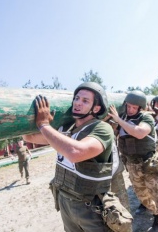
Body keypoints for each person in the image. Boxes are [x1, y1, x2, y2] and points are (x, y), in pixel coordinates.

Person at [23, 82, 117, 231]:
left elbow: (76, 153)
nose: (77, 103)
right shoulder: (66, 129)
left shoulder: (102, 128)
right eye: (77, 98)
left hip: (91, 207)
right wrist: (28, 119)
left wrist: (44, 125)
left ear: (96, 108)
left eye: (85, 101)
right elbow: (29, 137)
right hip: (65, 201)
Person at [109, 90, 158, 231]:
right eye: (129, 106)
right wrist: (115, 123)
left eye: (135, 107)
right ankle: (157, 214)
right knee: (143, 197)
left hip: (150, 163)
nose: (131, 110)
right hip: (132, 166)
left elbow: (139, 133)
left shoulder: (146, 118)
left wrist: (119, 120)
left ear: (140, 108)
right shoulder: (121, 119)